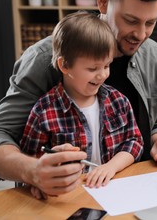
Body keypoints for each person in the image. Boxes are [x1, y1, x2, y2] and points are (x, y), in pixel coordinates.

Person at [0, 0, 157, 198]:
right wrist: (32, 171)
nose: (140, 34)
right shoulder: (43, 59)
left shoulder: (155, 56)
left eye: (151, 23)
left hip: (134, 189)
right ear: (103, 1)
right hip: (64, 199)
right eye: (130, 20)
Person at [20, 11, 144, 199]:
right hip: (66, 199)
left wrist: (110, 167)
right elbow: (30, 163)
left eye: (106, 65)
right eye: (93, 68)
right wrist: (36, 183)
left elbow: (135, 142)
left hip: (112, 192)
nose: (102, 75)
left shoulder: (118, 101)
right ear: (65, 66)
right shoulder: (44, 112)